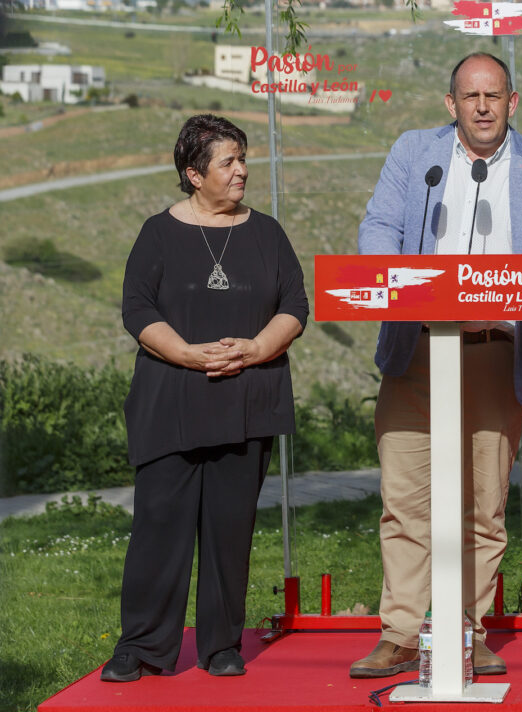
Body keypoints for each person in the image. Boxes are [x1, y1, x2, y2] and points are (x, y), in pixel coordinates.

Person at [348, 52, 522, 679]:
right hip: (416, 347)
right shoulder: (415, 153)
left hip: (494, 352)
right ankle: (402, 634)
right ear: (450, 103)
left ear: (512, 102)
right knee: (406, 500)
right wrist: (393, 279)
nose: (482, 107)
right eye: (470, 96)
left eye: (493, 96)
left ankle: (467, 632)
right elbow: (379, 227)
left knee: (483, 507)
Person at [100, 114, 308, 682]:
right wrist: (188, 355)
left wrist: (258, 348)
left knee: (229, 531)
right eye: (228, 162)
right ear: (194, 174)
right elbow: (137, 309)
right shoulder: (158, 233)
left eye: (243, 158)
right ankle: (141, 646)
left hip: (246, 403)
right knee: (158, 529)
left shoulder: (266, 233)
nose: (242, 170)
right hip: (171, 402)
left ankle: (220, 644)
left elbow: (295, 304)